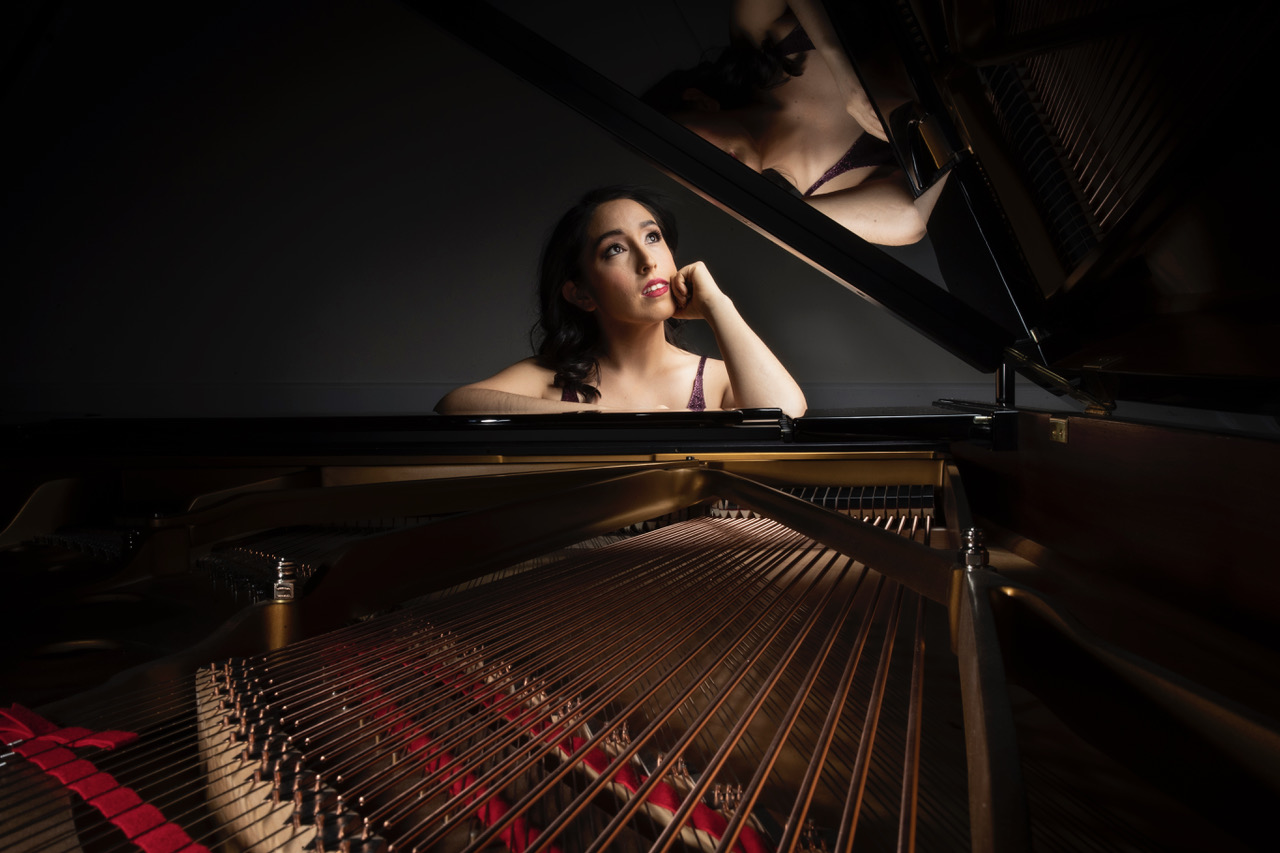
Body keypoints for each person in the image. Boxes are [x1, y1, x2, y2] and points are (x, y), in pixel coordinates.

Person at [434, 186, 806, 418]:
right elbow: (455, 406)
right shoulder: (554, 380)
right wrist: (614, 416)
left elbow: (786, 413)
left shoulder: (716, 378)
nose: (648, 262)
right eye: (615, 249)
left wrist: (716, 305)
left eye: (653, 237)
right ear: (581, 293)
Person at [642, 0, 945, 246]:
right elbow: (910, 219)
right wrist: (767, 215)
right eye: (695, 179)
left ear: (699, 103)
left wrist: (844, 74)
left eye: (691, 152)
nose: (711, 171)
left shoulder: (755, 37)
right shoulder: (828, 190)